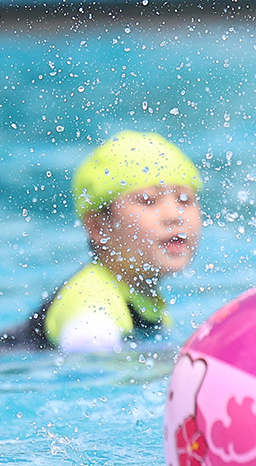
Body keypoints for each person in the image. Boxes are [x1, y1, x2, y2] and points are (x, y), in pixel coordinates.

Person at [0, 131, 203, 352]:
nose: (174, 215)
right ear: (98, 227)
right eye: (148, 200)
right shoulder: (91, 306)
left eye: (185, 199)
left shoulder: (138, 295)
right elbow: (90, 370)